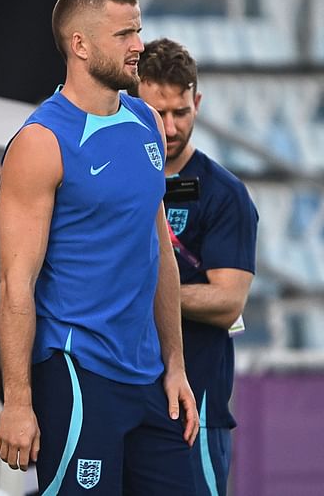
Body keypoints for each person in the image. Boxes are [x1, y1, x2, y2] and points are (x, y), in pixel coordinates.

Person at [0, 0, 199, 495]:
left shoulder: (146, 121)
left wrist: (176, 365)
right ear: (80, 45)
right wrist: (17, 401)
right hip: (78, 372)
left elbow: (160, 254)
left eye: (139, 31)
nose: (138, 46)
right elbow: (16, 283)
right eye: (125, 33)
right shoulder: (42, 142)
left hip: (150, 375)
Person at [133, 38, 258, 495]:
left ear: (197, 103)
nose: (168, 127)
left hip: (194, 414)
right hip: (118, 399)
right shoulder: (104, 178)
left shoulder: (225, 195)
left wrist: (138, 294)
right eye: (156, 112)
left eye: (180, 112)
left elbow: (228, 301)